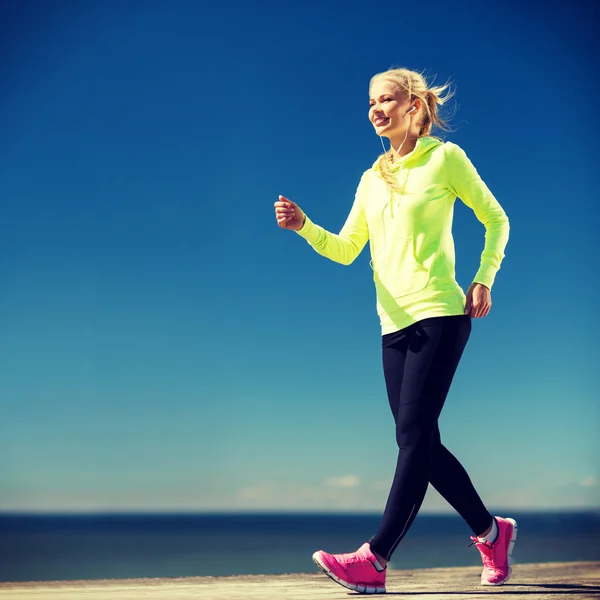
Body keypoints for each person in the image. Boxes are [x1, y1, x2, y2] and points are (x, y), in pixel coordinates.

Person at [273, 67, 514, 595]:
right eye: (370, 102)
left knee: (411, 437)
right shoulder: (370, 178)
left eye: (387, 99)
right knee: (420, 441)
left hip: (440, 313)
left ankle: (375, 559)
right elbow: (346, 250)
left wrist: (484, 278)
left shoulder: (445, 159)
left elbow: (497, 219)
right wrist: (305, 227)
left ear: (414, 106)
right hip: (393, 323)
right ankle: (492, 533)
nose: (376, 108)